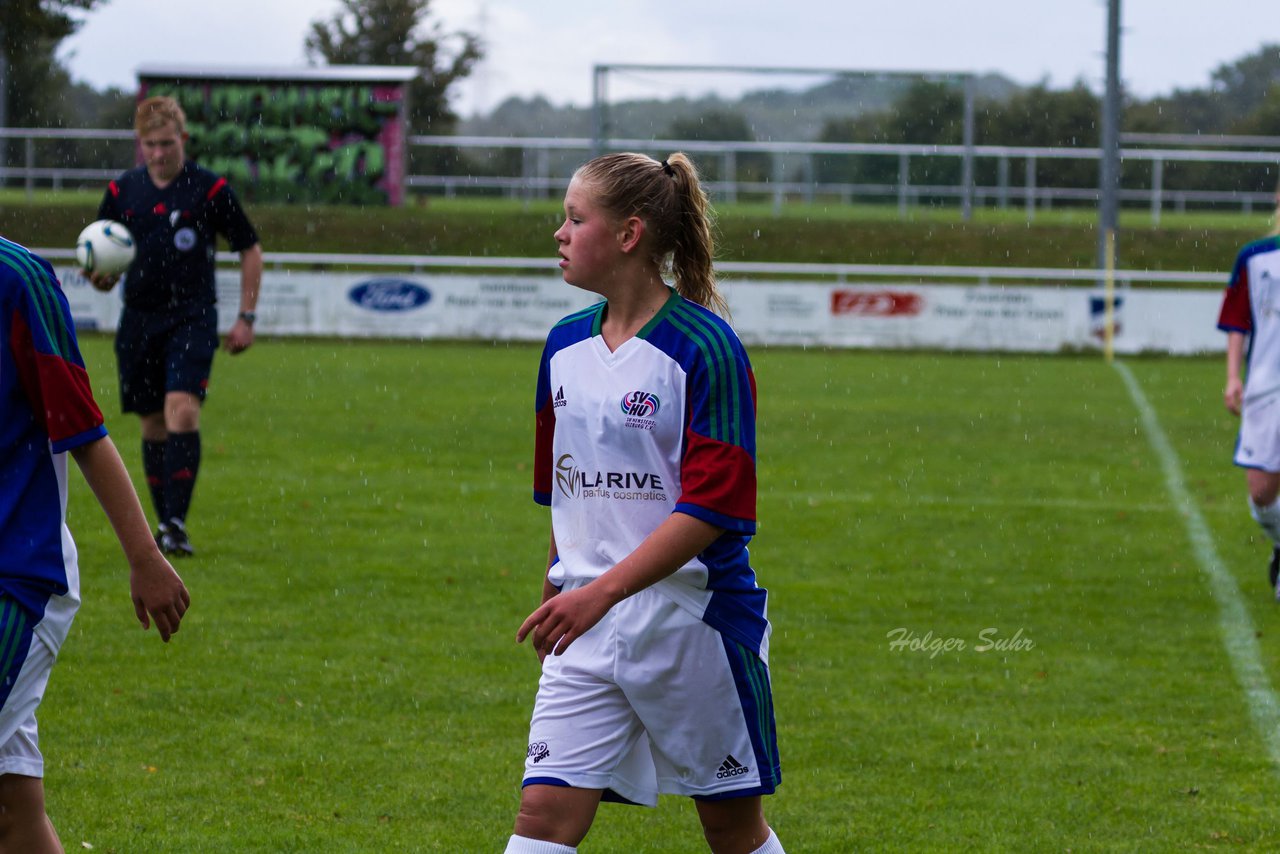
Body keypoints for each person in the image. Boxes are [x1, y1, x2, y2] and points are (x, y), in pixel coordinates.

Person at [506, 152, 785, 854]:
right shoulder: (563, 347)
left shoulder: (705, 347)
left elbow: (712, 508)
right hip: (584, 624)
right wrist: (558, 586)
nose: (559, 233)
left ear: (629, 235)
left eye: (576, 218)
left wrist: (598, 593)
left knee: (731, 830)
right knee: (542, 817)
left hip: (693, 621)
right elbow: (566, 488)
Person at [0, 234, 190, 852]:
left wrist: (144, 556)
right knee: (13, 812)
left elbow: (82, 428)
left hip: (17, 575)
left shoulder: (18, 281)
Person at [86, 95, 263, 557]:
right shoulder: (123, 191)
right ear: (139, 144)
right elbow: (101, 264)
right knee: (151, 424)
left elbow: (250, 248)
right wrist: (101, 279)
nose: (159, 153)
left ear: (182, 139)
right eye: (150, 145)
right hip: (139, 320)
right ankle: (166, 525)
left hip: (192, 315)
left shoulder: (209, 189)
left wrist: (247, 316)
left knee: (182, 409)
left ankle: (176, 523)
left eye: (167, 143)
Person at [1219, 185, 1280, 598]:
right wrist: (1233, 376)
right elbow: (1237, 322)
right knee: (1261, 492)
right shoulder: (1255, 257)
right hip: (1267, 388)